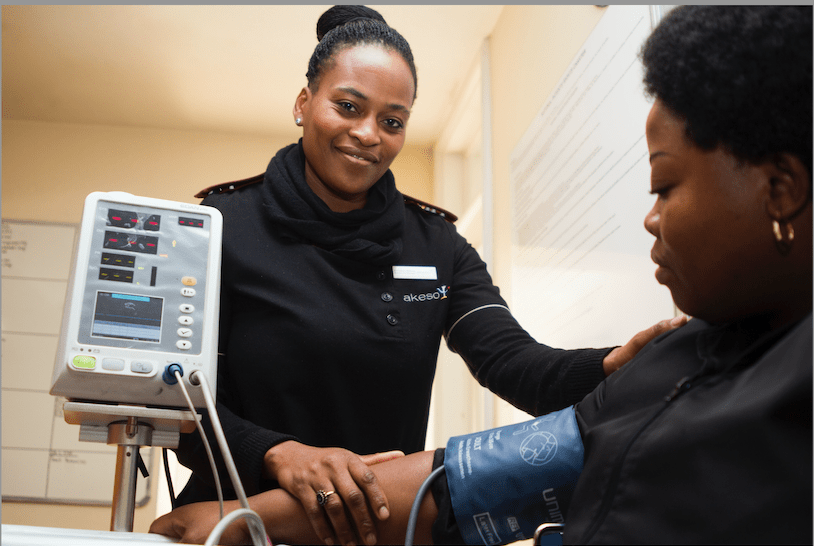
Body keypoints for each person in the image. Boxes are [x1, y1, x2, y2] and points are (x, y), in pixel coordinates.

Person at [151, 4, 812, 545]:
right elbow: (178, 400)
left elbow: (513, 362)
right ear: (304, 102)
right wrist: (279, 455)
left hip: (373, 524)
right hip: (230, 507)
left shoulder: (434, 242)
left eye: (393, 120)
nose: (367, 134)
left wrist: (607, 367)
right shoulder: (220, 227)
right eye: (348, 107)